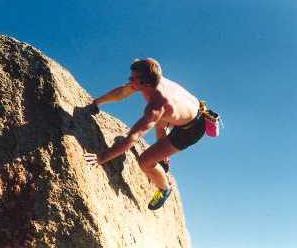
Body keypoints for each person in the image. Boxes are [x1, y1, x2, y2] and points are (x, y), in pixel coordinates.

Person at [84, 58, 207, 210]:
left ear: (145, 83)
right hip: (187, 111)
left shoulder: (157, 106)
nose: (129, 80)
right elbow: (122, 92)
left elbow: (132, 139)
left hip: (191, 130)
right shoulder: (151, 73)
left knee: (145, 161)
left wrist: (102, 157)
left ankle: (164, 188)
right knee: (161, 121)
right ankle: (163, 158)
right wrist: (96, 103)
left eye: (133, 78)